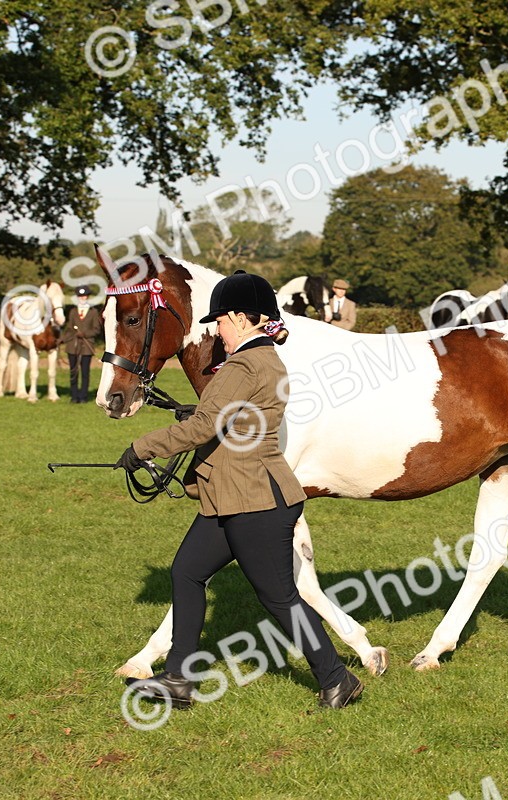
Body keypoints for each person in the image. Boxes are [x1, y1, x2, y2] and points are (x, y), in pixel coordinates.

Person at [119, 270, 363, 711]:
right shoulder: (263, 360)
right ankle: (178, 678)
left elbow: (202, 427)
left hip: (255, 501)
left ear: (241, 319)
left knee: (279, 597)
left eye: (221, 322)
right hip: (229, 495)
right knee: (187, 573)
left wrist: (142, 447)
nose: (216, 331)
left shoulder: (244, 364)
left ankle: (336, 677)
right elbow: (234, 415)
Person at [60, 286, 105, 403]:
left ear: (87, 296)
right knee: (73, 372)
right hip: (72, 346)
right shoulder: (73, 311)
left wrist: (85, 333)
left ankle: (83, 396)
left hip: (86, 346)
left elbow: (96, 329)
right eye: (80, 296)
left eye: (84, 296)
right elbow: (69, 329)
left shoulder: (93, 312)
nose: (82, 298)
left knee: (85, 373)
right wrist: (62, 339)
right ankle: (74, 396)